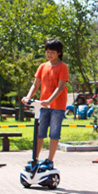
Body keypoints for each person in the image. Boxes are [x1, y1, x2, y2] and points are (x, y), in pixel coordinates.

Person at [21, 39, 70, 169]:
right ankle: (35, 159)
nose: (49, 55)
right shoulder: (43, 66)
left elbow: (60, 87)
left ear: (59, 53)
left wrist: (49, 101)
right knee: (39, 132)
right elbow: (35, 84)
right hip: (42, 106)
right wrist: (28, 96)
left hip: (57, 106)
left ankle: (49, 160)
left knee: (54, 133)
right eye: (47, 52)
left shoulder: (63, 67)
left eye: (52, 52)